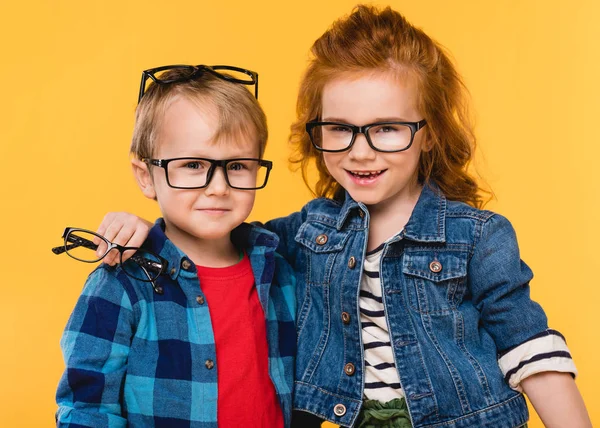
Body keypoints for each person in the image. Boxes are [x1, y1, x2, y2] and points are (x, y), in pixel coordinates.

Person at [93, 5, 592, 428]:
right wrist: (145, 232)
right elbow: (215, 234)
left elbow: (530, 350)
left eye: (387, 129)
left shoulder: (477, 236)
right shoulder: (309, 233)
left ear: (430, 131)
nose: (361, 151)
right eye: (339, 129)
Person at [55, 66, 296, 427]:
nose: (218, 187)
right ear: (145, 177)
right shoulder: (120, 285)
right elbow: (86, 408)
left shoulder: (282, 271)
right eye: (194, 165)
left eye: (237, 165)